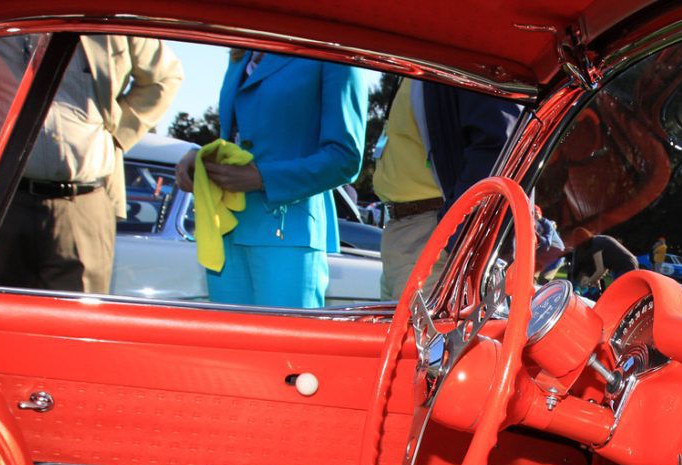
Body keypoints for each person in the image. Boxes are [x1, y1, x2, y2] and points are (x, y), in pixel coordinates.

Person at [0, 36, 183, 294]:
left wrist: (115, 136)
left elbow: (165, 77)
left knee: (79, 322)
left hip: (84, 202)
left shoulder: (108, 16)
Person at [175, 51, 369, 309]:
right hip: (226, 231)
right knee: (228, 347)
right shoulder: (240, 53)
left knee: (287, 347)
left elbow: (345, 158)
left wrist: (263, 178)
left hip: (289, 232)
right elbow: (242, 137)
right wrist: (203, 157)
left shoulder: (332, 50)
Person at [373, 79, 522, 300]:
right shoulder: (418, 63)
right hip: (408, 234)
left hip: (433, 237)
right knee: (404, 334)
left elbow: (499, 143)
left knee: (425, 335)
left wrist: (456, 236)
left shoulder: (461, 50)